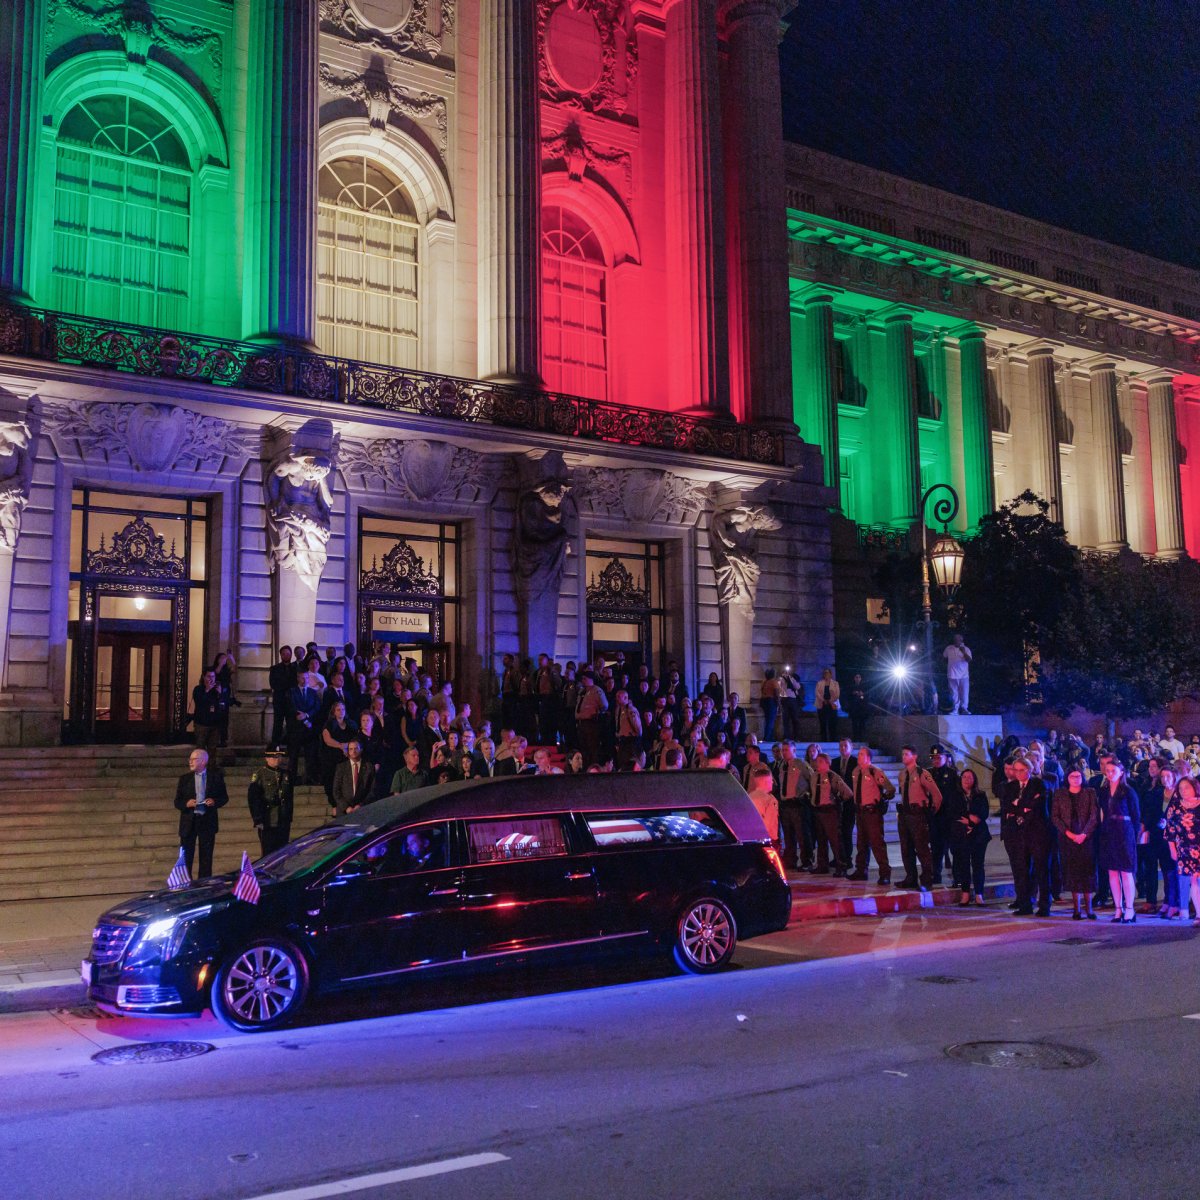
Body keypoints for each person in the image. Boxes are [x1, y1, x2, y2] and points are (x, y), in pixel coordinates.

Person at [1051, 767, 1099, 920]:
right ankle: (1076, 909)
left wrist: (1084, 834)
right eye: (1072, 776)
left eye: (1078, 776)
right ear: (1067, 778)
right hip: (1068, 838)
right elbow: (1055, 816)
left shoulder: (1089, 792)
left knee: (1087, 872)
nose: (1076, 779)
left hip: (1086, 837)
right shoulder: (1060, 793)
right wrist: (1069, 834)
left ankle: (1089, 909)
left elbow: (1094, 815)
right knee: (1073, 872)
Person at [173, 748, 229, 879]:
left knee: (206, 858)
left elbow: (224, 798)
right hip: (189, 822)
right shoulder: (184, 779)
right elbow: (177, 801)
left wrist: (214, 801)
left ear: (203, 761)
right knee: (186, 857)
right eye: (190, 759)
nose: (190, 762)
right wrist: (187, 804)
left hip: (207, 821)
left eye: (194, 759)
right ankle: (186, 883)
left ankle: (204, 884)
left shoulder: (215, 777)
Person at [1008, 757, 1052, 917]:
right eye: (1016, 770)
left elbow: (1038, 805)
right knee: (1022, 870)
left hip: (1038, 833)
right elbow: (1008, 806)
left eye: (1022, 770)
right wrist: (1024, 806)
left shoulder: (1037, 784)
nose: (1019, 773)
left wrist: (1019, 804)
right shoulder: (1011, 786)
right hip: (1020, 834)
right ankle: (1025, 904)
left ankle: (1045, 905)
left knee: (1041, 870)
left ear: (1030, 769)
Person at [1098, 758, 1140, 924]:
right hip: (1108, 830)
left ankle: (1129, 908)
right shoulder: (1103, 791)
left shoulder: (1128, 791)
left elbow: (1136, 815)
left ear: (1121, 772)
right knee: (1112, 871)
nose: (1109, 774)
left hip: (1124, 830)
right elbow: (1101, 811)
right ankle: (1118, 908)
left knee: (1126, 870)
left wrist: (1134, 835)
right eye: (1107, 771)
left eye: (1113, 771)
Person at [895, 745, 942, 889]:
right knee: (906, 848)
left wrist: (931, 813)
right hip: (905, 815)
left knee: (922, 849)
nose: (904, 757)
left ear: (914, 756)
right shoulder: (902, 774)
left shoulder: (922, 773)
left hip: (918, 815)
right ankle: (911, 878)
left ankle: (927, 880)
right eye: (902, 754)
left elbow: (937, 795)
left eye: (907, 754)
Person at [848, 747, 894, 885]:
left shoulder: (875, 771)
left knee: (877, 844)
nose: (859, 756)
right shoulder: (855, 772)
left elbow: (890, 788)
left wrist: (882, 799)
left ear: (868, 757)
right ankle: (861, 870)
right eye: (859, 754)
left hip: (872, 812)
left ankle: (885, 873)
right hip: (860, 811)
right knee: (861, 843)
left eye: (862, 754)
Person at [949, 767, 990, 905]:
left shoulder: (980, 795)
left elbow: (983, 813)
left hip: (979, 836)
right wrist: (969, 818)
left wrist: (972, 821)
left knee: (978, 865)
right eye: (964, 777)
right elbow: (954, 812)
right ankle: (965, 894)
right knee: (963, 865)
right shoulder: (954, 795)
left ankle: (979, 894)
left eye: (970, 777)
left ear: (974, 780)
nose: (967, 780)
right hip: (961, 835)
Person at [1164, 776, 1200, 925]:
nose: (1183, 791)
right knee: (1193, 880)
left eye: (1187, 787)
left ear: (1194, 788)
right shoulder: (1175, 807)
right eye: (1180, 788)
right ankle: (1198, 914)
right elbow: (1169, 831)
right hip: (1185, 849)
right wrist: (1173, 850)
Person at [809, 753, 852, 875]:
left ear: (827, 763)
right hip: (818, 810)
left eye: (820, 761)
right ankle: (822, 865)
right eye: (817, 761)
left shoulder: (833, 776)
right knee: (821, 840)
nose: (817, 764)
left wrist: (837, 801)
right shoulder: (814, 776)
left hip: (830, 811)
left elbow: (848, 793)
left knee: (835, 840)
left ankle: (841, 866)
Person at [247, 744, 293, 855]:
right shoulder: (260, 774)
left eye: (279, 756)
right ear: (267, 758)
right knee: (268, 852)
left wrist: (288, 816)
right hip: (267, 818)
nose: (277, 759)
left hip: (282, 819)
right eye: (274, 757)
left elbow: (289, 797)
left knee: (282, 851)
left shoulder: (285, 774)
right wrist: (258, 818)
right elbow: (253, 798)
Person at [927, 744, 960, 886]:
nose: (936, 760)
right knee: (936, 848)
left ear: (946, 758)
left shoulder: (952, 774)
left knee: (954, 849)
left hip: (949, 816)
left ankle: (957, 877)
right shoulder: (928, 774)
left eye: (939, 757)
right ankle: (936, 874)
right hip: (935, 817)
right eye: (933, 758)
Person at [320, 699, 355, 809]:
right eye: (338, 710)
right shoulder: (329, 724)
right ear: (334, 712)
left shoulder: (350, 724)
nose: (341, 712)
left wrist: (348, 747)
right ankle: (334, 804)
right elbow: (327, 739)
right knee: (332, 779)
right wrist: (341, 746)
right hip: (332, 757)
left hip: (346, 757)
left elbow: (356, 738)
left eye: (343, 709)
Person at [332, 739, 376, 815]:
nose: (353, 751)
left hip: (363, 810)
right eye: (351, 749)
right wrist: (346, 807)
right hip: (344, 812)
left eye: (356, 748)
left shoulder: (369, 767)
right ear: (348, 751)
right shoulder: (341, 767)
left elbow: (373, 790)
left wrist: (361, 805)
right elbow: (336, 791)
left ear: (361, 750)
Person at [746, 763, 780, 849]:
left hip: (751, 839)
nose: (772, 782)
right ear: (766, 781)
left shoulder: (749, 797)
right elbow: (769, 823)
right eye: (771, 780)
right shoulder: (769, 800)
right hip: (766, 840)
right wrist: (775, 840)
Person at [190, 670, 225, 753]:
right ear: (204, 677)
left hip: (214, 723)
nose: (211, 679)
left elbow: (222, 705)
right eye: (209, 676)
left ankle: (212, 766)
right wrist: (207, 690)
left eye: (213, 676)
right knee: (200, 747)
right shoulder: (198, 689)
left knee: (212, 748)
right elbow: (199, 702)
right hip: (201, 724)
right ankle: (200, 765)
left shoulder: (216, 690)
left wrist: (220, 694)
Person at [268, 646, 296, 747]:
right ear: (281, 655)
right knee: (277, 723)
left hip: (292, 701)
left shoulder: (295, 668)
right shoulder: (275, 668)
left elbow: (296, 684)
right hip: (279, 700)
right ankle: (275, 743)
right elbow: (273, 684)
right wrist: (287, 685)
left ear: (291, 654)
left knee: (291, 723)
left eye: (288, 654)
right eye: (284, 654)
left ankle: (291, 743)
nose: (286, 655)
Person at [943, 634, 973, 714]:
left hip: (964, 676)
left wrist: (963, 652)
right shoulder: (949, 648)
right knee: (954, 694)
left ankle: (964, 709)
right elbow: (944, 657)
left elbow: (969, 660)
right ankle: (955, 710)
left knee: (964, 693)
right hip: (952, 675)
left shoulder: (966, 649)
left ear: (961, 640)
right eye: (955, 639)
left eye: (958, 639)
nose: (956, 641)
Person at [814, 668, 840, 742]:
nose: (826, 674)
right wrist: (823, 700)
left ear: (831, 674)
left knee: (833, 723)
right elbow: (817, 693)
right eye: (825, 673)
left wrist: (830, 700)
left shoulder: (835, 683)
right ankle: (823, 739)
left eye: (828, 673)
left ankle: (833, 739)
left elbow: (837, 694)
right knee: (823, 723)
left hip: (832, 705)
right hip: (822, 705)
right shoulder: (819, 683)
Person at [760, 669, 782, 742]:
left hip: (764, 701)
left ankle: (770, 737)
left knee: (768, 720)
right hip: (771, 702)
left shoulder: (764, 682)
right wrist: (779, 704)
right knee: (771, 720)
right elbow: (776, 693)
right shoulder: (774, 682)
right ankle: (767, 737)